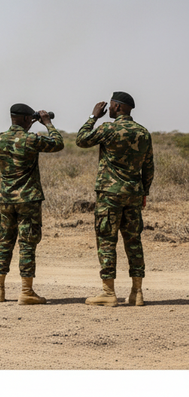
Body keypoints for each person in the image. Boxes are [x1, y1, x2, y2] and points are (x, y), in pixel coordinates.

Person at [76, 91, 154, 307]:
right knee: (134, 241)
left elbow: (81, 140)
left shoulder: (107, 128)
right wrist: (143, 192)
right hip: (133, 194)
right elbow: (149, 166)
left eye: (110, 106)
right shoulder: (143, 132)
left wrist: (93, 117)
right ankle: (137, 293)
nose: (107, 109)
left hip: (109, 195)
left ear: (118, 107)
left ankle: (108, 292)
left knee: (106, 240)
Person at [0, 103, 64, 304]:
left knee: (5, 241)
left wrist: (29, 123)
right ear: (26, 119)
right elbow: (58, 143)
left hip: (6, 198)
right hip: (28, 199)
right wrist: (47, 122)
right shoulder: (30, 139)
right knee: (27, 243)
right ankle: (26, 291)